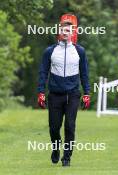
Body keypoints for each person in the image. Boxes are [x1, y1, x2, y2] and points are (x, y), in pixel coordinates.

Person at [37, 14, 90, 166]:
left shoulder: (80, 51)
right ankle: (55, 148)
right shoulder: (50, 51)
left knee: (70, 126)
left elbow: (85, 73)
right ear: (59, 32)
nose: (65, 33)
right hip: (55, 95)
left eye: (68, 30)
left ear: (73, 33)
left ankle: (67, 157)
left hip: (73, 94)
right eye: (63, 30)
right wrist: (41, 92)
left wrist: (86, 93)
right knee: (54, 128)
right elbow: (43, 72)